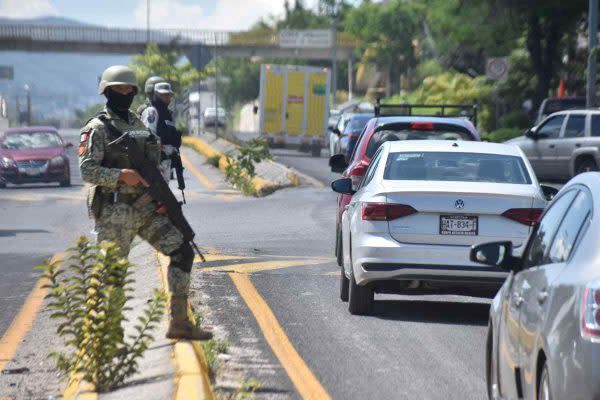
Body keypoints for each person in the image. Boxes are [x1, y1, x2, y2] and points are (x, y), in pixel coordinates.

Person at [78, 65, 212, 340]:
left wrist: (161, 200)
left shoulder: (139, 124)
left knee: (182, 251)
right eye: (118, 89)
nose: (124, 93)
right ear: (107, 91)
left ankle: (179, 322)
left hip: (146, 208)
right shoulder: (98, 127)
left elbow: (153, 166)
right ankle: (109, 336)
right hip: (115, 212)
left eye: (129, 89)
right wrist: (120, 176)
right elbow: (87, 170)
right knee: (113, 272)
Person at [140, 81, 182, 182]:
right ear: (156, 94)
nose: (166, 97)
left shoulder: (167, 113)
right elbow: (149, 136)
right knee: (156, 195)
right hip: (156, 163)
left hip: (166, 162)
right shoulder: (152, 111)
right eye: (163, 94)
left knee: (163, 195)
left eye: (168, 95)